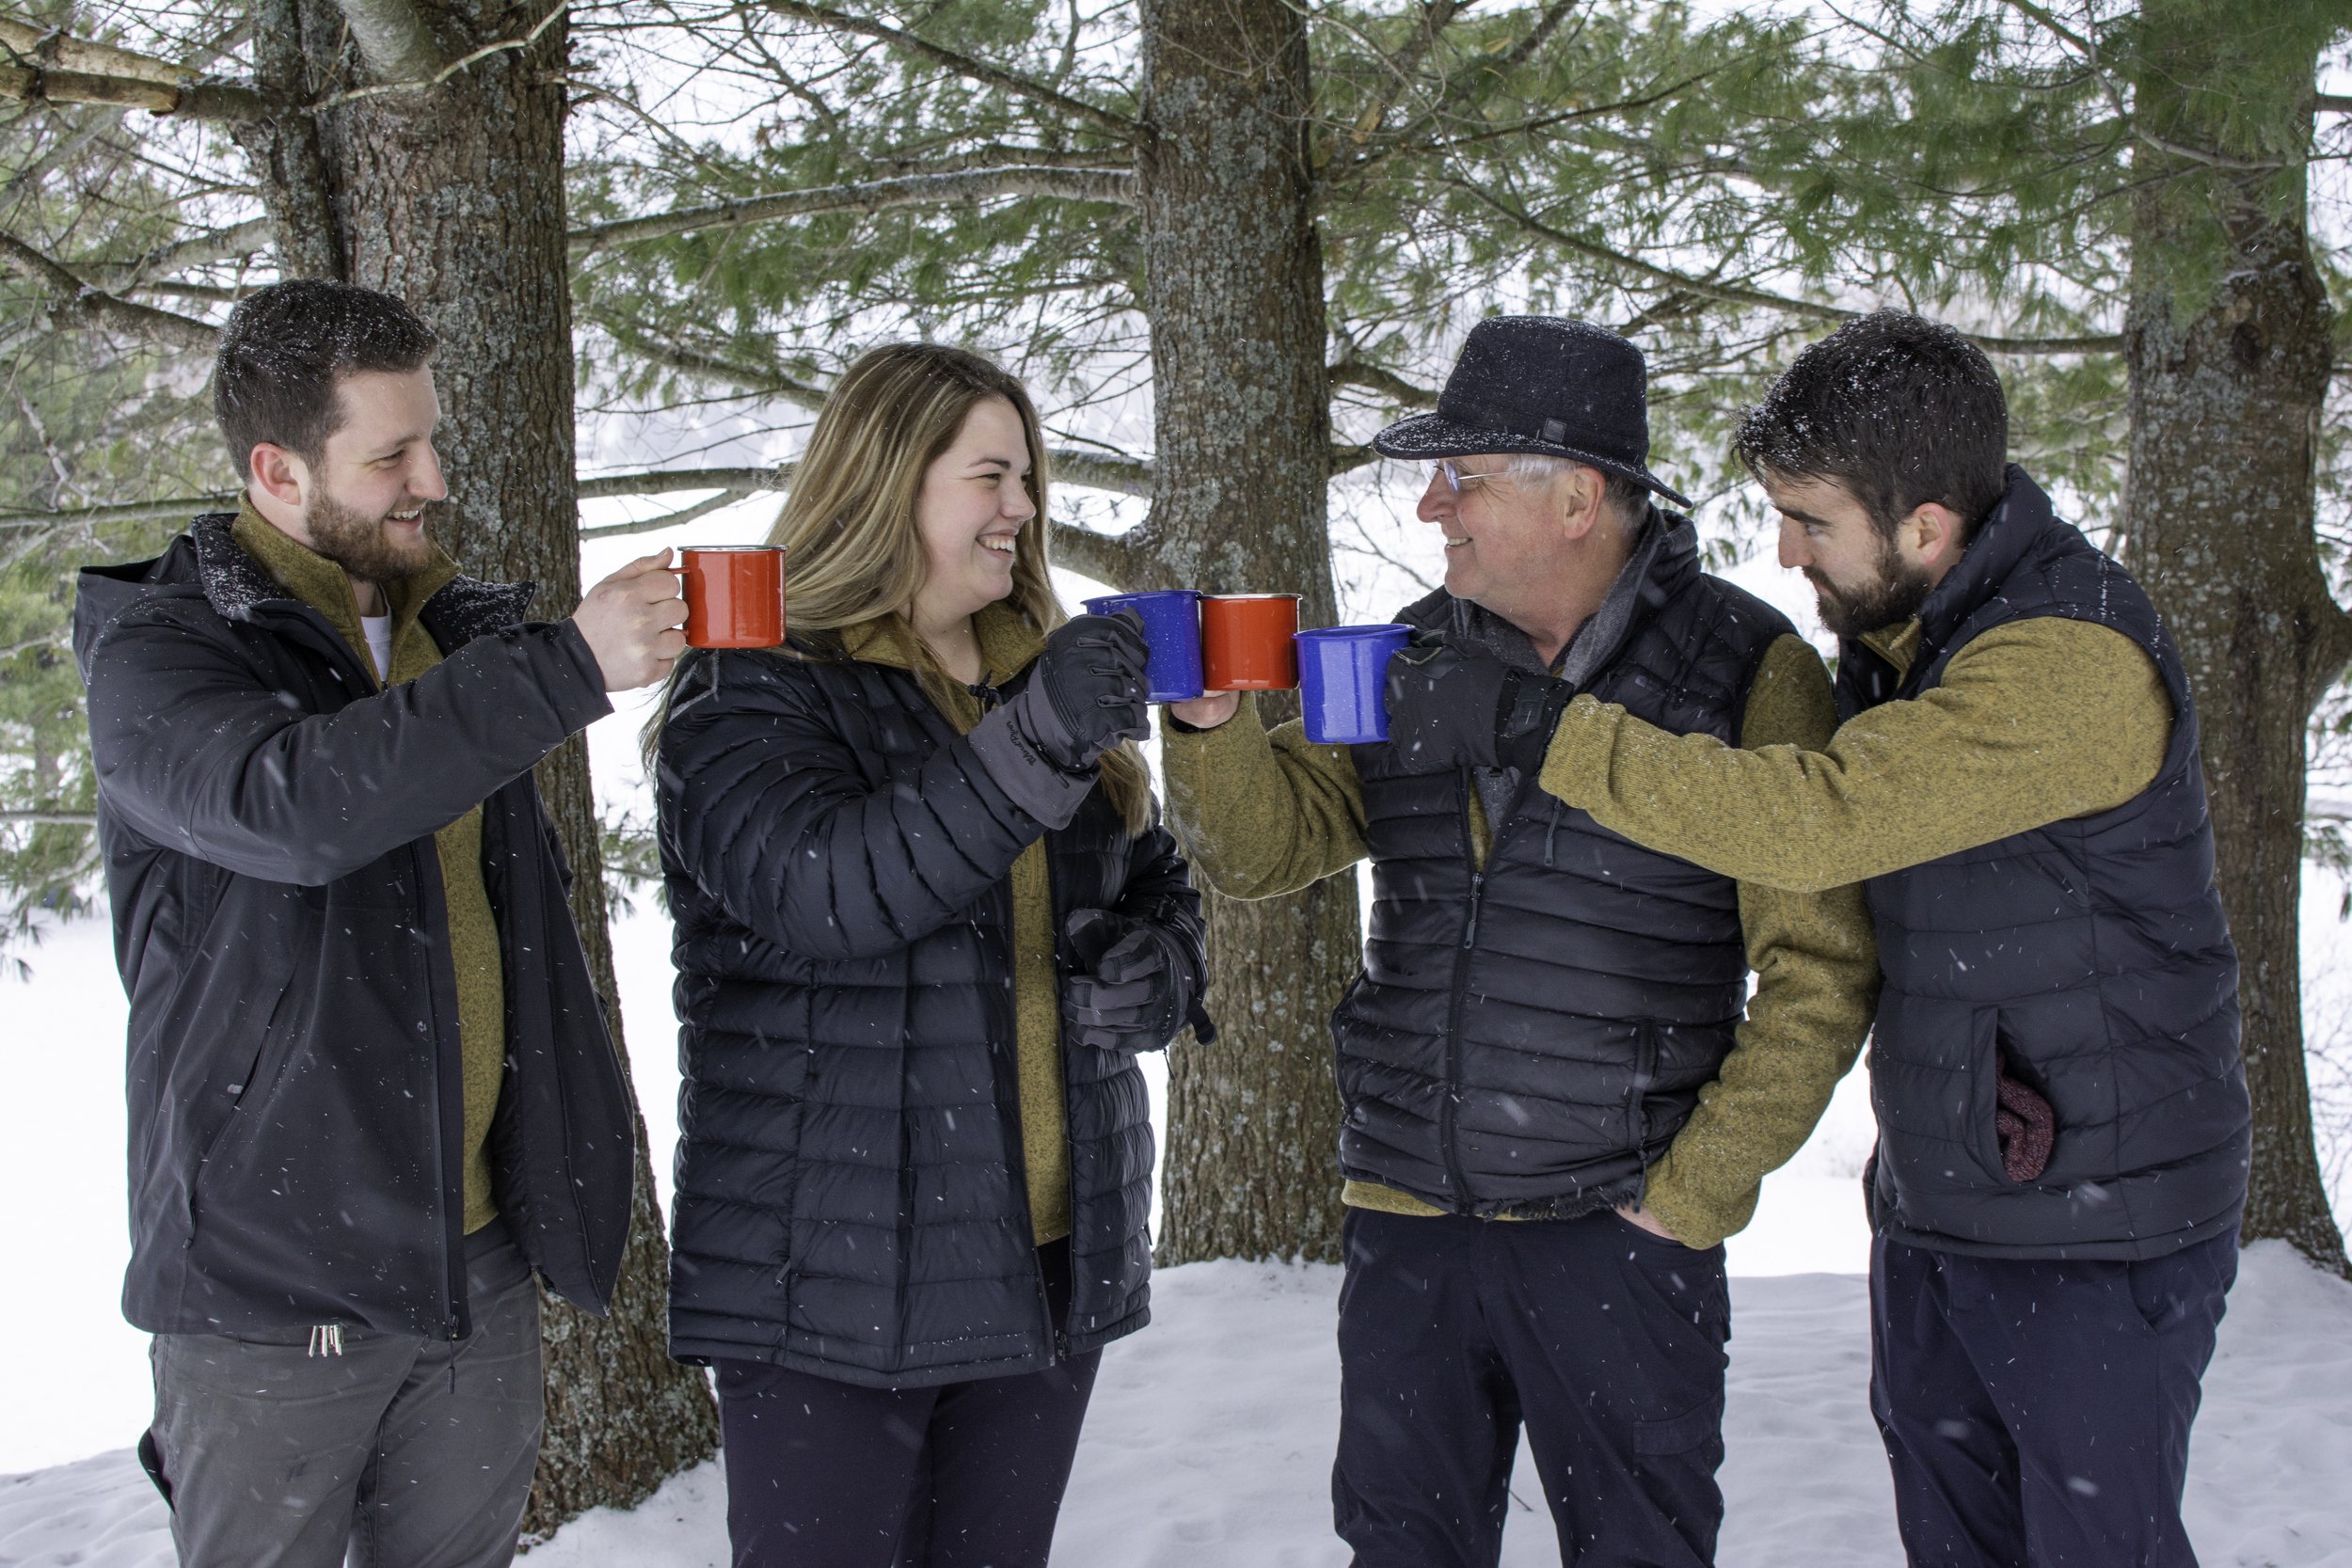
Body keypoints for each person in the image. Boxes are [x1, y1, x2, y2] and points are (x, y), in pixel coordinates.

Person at [1425, 310, 2249, 1567]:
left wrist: (1544, 730)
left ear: (1926, 527)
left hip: (2101, 1228)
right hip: (1956, 1200)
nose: (1782, 547)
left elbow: (1820, 821)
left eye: (1811, 519)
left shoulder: (2065, 664)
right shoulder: (1912, 635)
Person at [1160, 315, 1880, 1568]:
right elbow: (1273, 844)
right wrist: (1215, 730)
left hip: (1619, 1222)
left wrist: (1694, 1192)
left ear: (1577, 500)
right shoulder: (1409, 650)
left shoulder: (1744, 670)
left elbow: (1820, 971)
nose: (1433, 507)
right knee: (1403, 1546)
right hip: (1411, 1211)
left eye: (1465, 478)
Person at [72, 279, 689, 1567]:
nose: (433, 478)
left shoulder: (451, 631)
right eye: (392, 454)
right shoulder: (163, 648)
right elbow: (293, 807)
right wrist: (568, 668)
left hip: (475, 1271)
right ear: (277, 471)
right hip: (270, 1295)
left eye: (433, 441)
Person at [651, 341, 1208, 1568]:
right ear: (888, 482)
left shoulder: (1026, 672)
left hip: (1043, 1261)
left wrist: (1162, 966)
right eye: (991, 477)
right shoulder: (756, 686)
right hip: (833, 1285)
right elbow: (831, 892)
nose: (1023, 509)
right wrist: (1039, 739)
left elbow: (1149, 872)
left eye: (1029, 479)